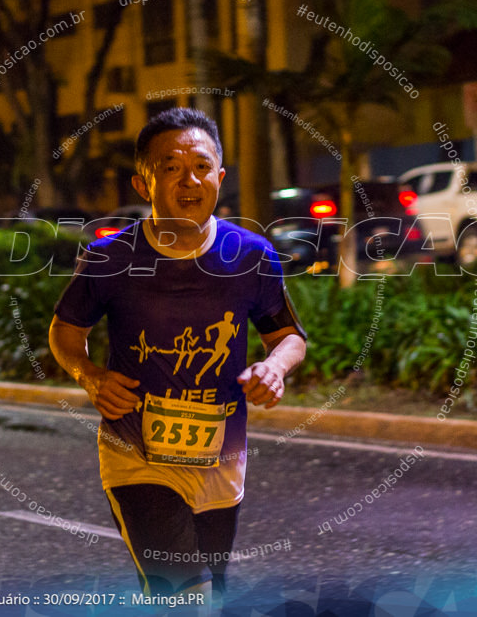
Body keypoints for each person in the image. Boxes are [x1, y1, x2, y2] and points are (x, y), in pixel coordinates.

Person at [49, 108, 306, 604]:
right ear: (143, 184)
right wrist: (89, 374)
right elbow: (65, 330)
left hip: (221, 459)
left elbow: (289, 337)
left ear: (220, 177)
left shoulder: (251, 256)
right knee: (186, 595)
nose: (189, 181)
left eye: (202, 167)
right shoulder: (111, 258)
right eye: (170, 168)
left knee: (211, 593)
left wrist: (274, 368)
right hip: (136, 455)